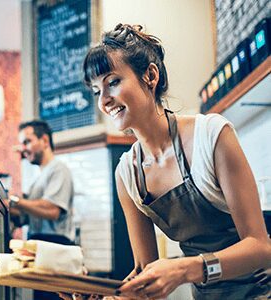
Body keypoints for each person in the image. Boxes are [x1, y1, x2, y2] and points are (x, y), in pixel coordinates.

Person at [63, 24, 271, 300]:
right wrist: (101, 294)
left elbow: (260, 247)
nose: (104, 101)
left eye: (112, 82)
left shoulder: (211, 135)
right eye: (95, 91)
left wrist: (184, 269)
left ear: (150, 75)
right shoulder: (128, 173)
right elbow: (144, 273)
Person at [8, 120, 75, 300]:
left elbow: (52, 210)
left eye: (27, 142)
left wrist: (15, 201)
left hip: (54, 247)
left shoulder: (58, 169)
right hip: (40, 247)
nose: (23, 148)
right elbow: (25, 217)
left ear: (45, 141)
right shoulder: (39, 177)